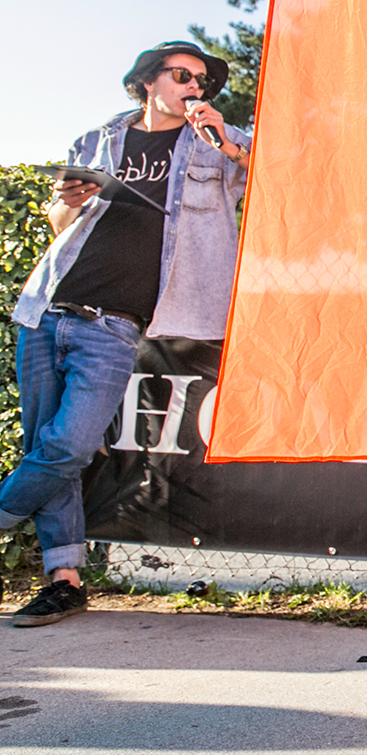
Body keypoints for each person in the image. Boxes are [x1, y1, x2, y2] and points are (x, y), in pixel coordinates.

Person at [5, 42, 249, 627]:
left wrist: (228, 139)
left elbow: (280, 180)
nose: (195, 86)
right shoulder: (97, 141)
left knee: (69, 447)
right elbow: (61, 225)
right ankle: (64, 580)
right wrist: (66, 203)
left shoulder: (216, 140)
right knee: (46, 447)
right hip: (46, 309)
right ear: (147, 81)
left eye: (203, 81)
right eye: (182, 75)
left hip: (114, 326)